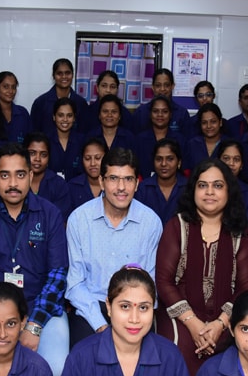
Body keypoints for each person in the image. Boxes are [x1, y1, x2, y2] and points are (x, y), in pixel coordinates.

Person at [50, 266, 197, 376]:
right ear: (109, 307)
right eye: (125, 306)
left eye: (143, 307)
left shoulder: (170, 358)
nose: (134, 319)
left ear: (153, 308)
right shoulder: (81, 358)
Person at [0, 143, 69, 376]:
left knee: (55, 369)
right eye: (5, 175)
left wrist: (34, 325)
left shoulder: (50, 214)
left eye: (20, 175)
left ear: (31, 176)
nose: (13, 183)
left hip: (40, 307)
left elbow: (57, 276)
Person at [155, 159, 248, 376]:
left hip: (226, 317)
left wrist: (220, 324)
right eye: (202, 185)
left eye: (218, 185)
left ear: (229, 191)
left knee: (229, 363)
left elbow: (246, 288)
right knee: (177, 353)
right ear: (193, 190)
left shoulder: (242, 233)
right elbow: (163, 281)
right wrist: (193, 323)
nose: (209, 192)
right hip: (180, 315)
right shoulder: (177, 226)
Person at [66, 148, 162, 347]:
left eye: (128, 179)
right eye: (113, 179)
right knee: (87, 356)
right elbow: (75, 284)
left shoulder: (150, 222)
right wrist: (101, 325)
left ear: (137, 183)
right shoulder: (79, 219)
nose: (121, 187)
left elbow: (150, 283)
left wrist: (129, 315)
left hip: (134, 306)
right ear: (101, 181)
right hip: (91, 306)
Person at [135, 138, 187, 226]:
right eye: (159, 159)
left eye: (170, 159)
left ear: (179, 163)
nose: (163, 164)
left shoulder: (188, 188)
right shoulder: (143, 189)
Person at [30, 58, 89, 136]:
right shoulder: (41, 103)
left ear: (73, 75)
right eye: (59, 73)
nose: (64, 76)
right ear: (53, 76)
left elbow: (85, 133)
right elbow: (34, 134)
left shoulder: (81, 103)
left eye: (67, 73)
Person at [24, 131, 72, 221]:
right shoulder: (16, 182)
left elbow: (61, 220)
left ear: (49, 157)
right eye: (32, 153)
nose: (37, 159)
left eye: (43, 155)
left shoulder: (59, 184)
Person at [135, 96, 186, 179]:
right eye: (155, 111)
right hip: (143, 184)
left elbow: (183, 168)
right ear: (150, 114)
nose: (160, 115)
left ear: (170, 114)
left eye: (164, 111)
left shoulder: (180, 140)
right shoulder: (139, 139)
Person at [131, 69, 191, 136]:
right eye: (158, 85)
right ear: (153, 87)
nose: (162, 89)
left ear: (172, 86)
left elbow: (186, 140)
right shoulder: (141, 112)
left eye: (167, 85)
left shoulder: (182, 114)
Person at [48, 97, 85, 180]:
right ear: (54, 117)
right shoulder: (46, 141)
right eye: (60, 115)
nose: (65, 119)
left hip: (77, 187)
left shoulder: (83, 141)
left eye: (69, 115)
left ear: (74, 118)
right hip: (51, 187)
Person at [67, 137, 107, 212]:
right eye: (87, 158)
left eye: (98, 158)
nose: (93, 163)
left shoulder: (114, 185)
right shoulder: (72, 187)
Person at [184, 103, 228, 171]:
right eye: (204, 122)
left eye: (213, 122)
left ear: (220, 122)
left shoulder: (229, 144)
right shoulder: (192, 144)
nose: (209, 126)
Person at [216, 139, 248, 212]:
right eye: (226, 158)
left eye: (236, 159)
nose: (231, 163)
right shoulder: (209, 188)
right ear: (218, 161)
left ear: (241, 165)